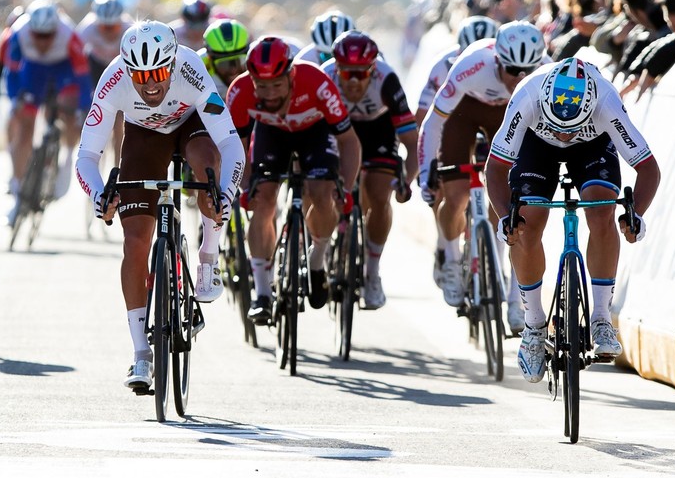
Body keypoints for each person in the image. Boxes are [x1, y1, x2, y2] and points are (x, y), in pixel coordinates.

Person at [75, 20, 244, 392]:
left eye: (158, 73)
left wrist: (226, 193)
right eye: (141, 76)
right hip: (143, 135)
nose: (150, 84)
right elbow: (86, 155)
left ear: (171, 64)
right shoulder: (113, 79)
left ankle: (208, 259)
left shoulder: (191, 69)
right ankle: (141, 355)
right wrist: (100, 195)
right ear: (127, 69)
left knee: (208, 168)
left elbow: (231, 146)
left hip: (191, 124)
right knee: (134, 243)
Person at [485, 57, 660, 381]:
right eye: (558, 127)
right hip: (536, 148)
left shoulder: (607, 101)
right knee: (525, 224)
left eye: (571, 129)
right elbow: (495, 167)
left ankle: (601, 318)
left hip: (592, 147)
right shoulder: (527, 96)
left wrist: (635, 213)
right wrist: (504, 217)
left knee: (602, 211)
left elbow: (648, 167)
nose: (564, 136)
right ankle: (534, 325)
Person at [417, 20, 549, 332]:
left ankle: (517, 300)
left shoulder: (544, 72)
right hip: (465, 112)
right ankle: (450, 260)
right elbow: (433, 122)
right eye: (513, 70)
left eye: (527, 70)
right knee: (457, 193)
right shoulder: (471, 65)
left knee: (516, 206)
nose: (520, 77)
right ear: (498, 61)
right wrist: (426, 173)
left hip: (508, 114)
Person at [225, 36, 362, 323]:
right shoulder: (239, 91)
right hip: (271, 135)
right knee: (262, 200)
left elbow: (349, 142)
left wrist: (346, 189)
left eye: (277, 85)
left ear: (292, 74)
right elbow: (235, 146)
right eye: (262, 87)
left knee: (322, 193)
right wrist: (245, 184)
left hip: (315, 133)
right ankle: (262, 292)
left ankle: (317, 258)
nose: (270, 94)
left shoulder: (317, 82)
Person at [320, 30, 419, 309]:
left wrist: (407, 182)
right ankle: (323, 246)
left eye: (361, 74)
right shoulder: (324, 78)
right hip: (336, 131)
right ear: (336, 68)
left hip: (378, 130)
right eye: (347, 73)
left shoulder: (386, 79)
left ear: (372, 70)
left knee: (379, 194)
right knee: (321, 186)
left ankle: (373, 272)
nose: (352, 81)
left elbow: (412, 142)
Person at [4, 0, 91, 224]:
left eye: (48, 36)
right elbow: (11, 73)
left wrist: (81, 109)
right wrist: (15, 99)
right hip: (34, 72)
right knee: (25, 127)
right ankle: (17, 189)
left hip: (64, 70)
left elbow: (82, 78)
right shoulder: (18, 33)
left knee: (69, 109)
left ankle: (68, 157)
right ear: (30, 29)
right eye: (38, 36)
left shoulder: (69, 34)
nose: (43, 42)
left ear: (56, 30)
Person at [77, 0, 134, 166]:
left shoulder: (130, 29)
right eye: (104, 28)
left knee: (120, 127)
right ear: (97, 22)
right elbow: (75, 60)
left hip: (122, 69)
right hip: (96, 66)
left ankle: (116, 172)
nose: (109, 32)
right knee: (95, 118)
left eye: (114, 28)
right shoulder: (86, 29)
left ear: (120, 22)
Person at [414, 15, 500, 127]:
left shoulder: (508, 66)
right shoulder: (442, 65)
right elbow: (422, 114)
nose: (478, 65)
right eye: (470, 59)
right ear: (459, 51)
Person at [199, 18, 250, 98]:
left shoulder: (256, 59)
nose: (233, 70)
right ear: (209, 58)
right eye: (224, 63)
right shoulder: (197, 66)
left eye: (240, 60)